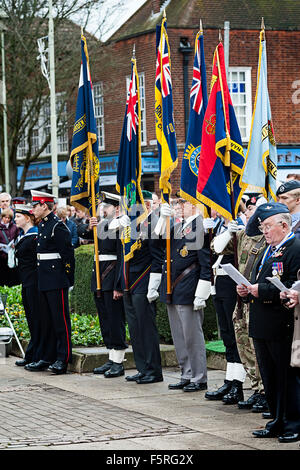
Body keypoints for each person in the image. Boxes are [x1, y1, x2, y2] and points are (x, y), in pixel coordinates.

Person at [236, 202, 300, 442]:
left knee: (287, 377)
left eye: (267, 227)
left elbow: (293, 285)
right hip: (262, 322)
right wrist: (246, 289)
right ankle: (277, 419)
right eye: (262, 227)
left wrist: (258, 290)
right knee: (270, 376)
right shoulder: (268, 249)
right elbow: (261, 277)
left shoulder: (295, 248)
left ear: (284, 225)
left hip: (282, 323)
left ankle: (293, 423)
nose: (264, 231)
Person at [211, 195, 268, 412]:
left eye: (252, 208)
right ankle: (253, 387)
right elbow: (217, 248)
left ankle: (262, 390)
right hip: (238, 293)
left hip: (258, 296)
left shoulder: (264, 236)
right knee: (236, 339)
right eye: (247, 209)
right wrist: (229, 230)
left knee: (255, 346)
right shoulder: (244, 233)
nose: (248, 212)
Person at [157, 200, 210, 392]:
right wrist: (163, 218)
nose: (180, 206)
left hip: (188, 287)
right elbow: (158, 238)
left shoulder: (200, 226)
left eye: (184, 203)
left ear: (195, 205)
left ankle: (199, 376)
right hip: (173, 286)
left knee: (192, 336)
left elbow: (205, 262)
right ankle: (186, 373)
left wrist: (202, 292)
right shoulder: (179, 225)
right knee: (179, 336)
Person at [25, 190, 75, 375]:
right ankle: (47, 357)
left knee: (60, 321)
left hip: (56, 280)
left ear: (44, 206)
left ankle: (63, 358)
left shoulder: (57, 227)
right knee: (46, 321)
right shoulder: (44, 226)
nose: (32, 209)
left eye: (35, 205)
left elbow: (68, 256)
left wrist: (68, 280)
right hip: (44, 279)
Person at [80, 192, 127, 378]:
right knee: (105, 321)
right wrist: (88, 225)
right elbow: (82, 233)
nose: (102, 210)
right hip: (99, 277)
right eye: (101, 208)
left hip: (111, 277)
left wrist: (118, 285)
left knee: (115, 320)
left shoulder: (120, 226)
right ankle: (111, 356)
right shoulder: (101, 225)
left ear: (115, 208)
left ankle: (119, 361)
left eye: (105, 207)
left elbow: (121, 258)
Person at [120, 190, 164, 384]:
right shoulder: (130, 224)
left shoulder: (153, 224)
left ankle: (153, 370)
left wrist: (154, 285)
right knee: (135, 329)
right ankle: (142, 367)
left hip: (144, 281)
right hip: (130, 281)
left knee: (146, 328)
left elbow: (157, 257)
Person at [204, 214, 246, 405]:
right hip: (219, 280)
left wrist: (230, 231)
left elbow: (219, 247)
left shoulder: (239, 222)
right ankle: (229, 380)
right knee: (227, 336)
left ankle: (238, 383)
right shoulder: (220, 223)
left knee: (234, 333)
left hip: (231, 281)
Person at [14, 204, 41, 367]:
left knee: (36, 319)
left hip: (34, 282)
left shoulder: (34, 236)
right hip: (26, 282)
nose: (15, 219)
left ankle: (37, 354)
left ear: (27, 218)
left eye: (18, 216)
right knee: (31, 319)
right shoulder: (24, 236)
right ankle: (32, 353)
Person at [0, 208, 19, 287]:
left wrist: (15, 244)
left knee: (12, 278)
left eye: (9, 218)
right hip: (1, 257)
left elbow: (18, 238)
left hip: (11, 256)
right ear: (2, 217)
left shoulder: (14, 227)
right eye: (5, 217)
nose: (7, 219)